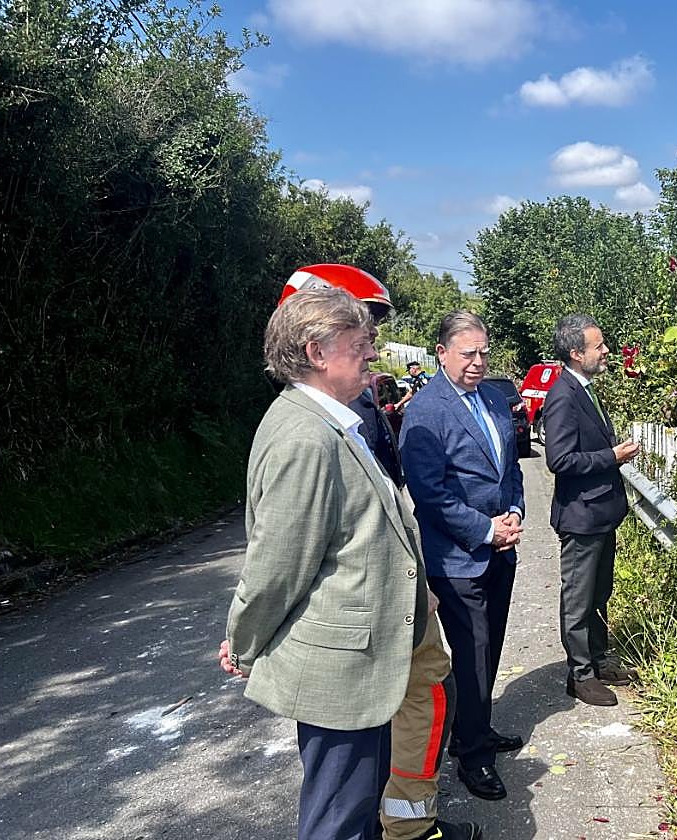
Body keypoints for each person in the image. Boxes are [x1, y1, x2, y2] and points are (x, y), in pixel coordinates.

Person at [218, 287, 480, 840]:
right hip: (340, 670)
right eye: (360, 344)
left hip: (364, 659)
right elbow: (277, 566)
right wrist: (243, 642)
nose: (373, 354)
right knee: (338, 820)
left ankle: (408, 829)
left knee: (358, 807)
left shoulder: (330, 423)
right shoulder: (306, 437)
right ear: (316, 352)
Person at [399, 311, 525, 802]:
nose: (478, 361)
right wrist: (485, 530)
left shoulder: (493, 398)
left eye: (483, 352)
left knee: (489, 648)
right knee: (471, 654)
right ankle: (472, 756)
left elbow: (510, 467)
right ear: (442, 353)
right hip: (456, 558)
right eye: (468, 353)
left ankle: (477, 726)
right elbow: (429, 494)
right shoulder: (425, 411)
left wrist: (513, 512)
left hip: (500, 549)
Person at [543, 314, 640, 707]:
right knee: (579, 599)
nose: (606, 351)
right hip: (581, 517)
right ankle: (580, 675)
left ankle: (598, 659)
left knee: (599, 592)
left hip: (600, 513)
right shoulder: (563, 396)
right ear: (575, 353)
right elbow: (560, 460)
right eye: (598, 346)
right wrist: (612, 456)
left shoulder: (583, 388)